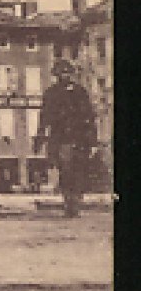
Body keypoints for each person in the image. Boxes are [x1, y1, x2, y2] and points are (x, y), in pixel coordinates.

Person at [35, 58, 97, 218]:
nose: (65, 76)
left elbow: (90, 117)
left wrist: (93, 140)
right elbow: (44, 117)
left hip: (80, 138)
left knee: (80, 171)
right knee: (65, 170)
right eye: (61, 73)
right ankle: (69, 202)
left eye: (67, 72)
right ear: (56, 75)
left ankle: (75, 202)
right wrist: (40, 136)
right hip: (61, 138)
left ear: (72, 74)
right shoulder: (51, 93)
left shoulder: (80, 92)